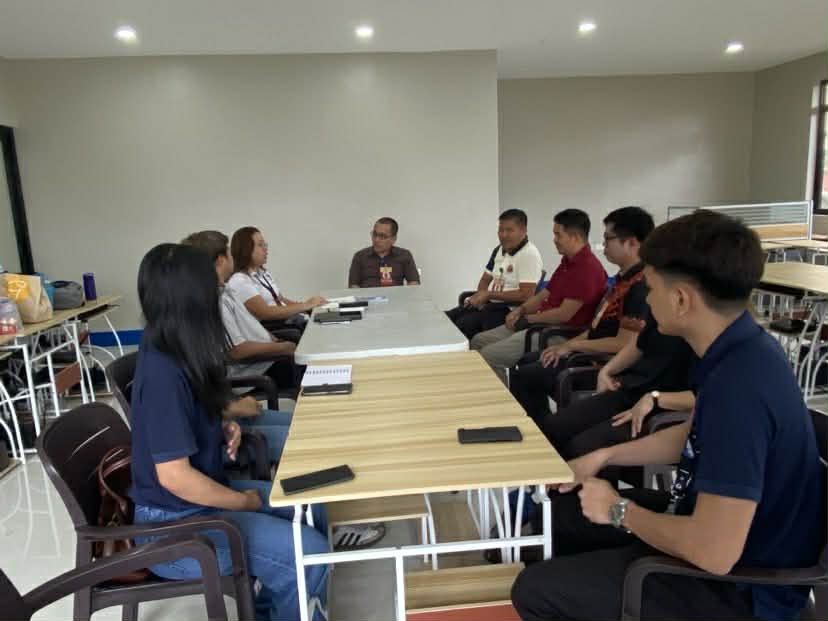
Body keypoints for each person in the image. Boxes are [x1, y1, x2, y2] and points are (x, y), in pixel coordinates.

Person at [511, 210, 822, 621]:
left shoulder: (740, 387)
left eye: (652, 288)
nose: (648, 299)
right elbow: (693, 434)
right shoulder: (737, 351)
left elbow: (713, 552)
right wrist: (604, 457)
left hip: (740, 589)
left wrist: (619, 510)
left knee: (534, 590)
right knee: (561, 511)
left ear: (681, 300)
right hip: (703, 526)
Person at [128, 243, 328, 621]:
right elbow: (174, 476)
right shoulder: (162, 371)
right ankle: (292, 592)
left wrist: (222, 425)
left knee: (311, 502)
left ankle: (275, 606)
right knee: (309, 550)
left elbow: (186, 417)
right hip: (173, 527)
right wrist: (241, 502)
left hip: (195, 504)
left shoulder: (173, 347)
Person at [509, 206, 654, 412]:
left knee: (527, 375)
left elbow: (624, 343)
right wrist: (568, 345)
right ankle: (539, 422)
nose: (603, 245)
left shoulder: (639, 286)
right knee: (526, 362)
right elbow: (596, 327)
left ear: (631, 243)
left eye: (608, 239)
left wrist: (571, 346)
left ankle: (541, 426)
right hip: (588, 352)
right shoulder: (622, 280)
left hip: (605, 366)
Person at [470, 209, 606, 383]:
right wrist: (521, 310)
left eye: (558, 235)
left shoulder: (587, 268)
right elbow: (544, 293)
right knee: (478, 341)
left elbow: (564, 314)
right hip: (539, 323)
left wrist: (528, 319)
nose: (554, 240)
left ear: (575, 237)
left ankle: (505, 398)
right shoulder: (567, 262)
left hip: (557, 333)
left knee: (488, 356)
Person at [182, 231, 298, 392]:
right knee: (307, 366)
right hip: (256, 373)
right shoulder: (216, 300)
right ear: (221, 260)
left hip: (265, 360)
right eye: (228, 251)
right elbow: (237, 350)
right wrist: (282, 347)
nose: (232, 257)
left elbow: (248, 325)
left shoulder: (225, 290)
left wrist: (274, 340)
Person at [445, 209, 543, 339]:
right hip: (489, 304)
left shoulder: (529, 254)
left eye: (509, 230)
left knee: (463, 325)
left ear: (523, 230)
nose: (504, 235)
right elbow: (485, 279)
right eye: (501, 230)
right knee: (446, 318)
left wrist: (488, 294)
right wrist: (481, 296)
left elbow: (526, 295)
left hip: (508, 310)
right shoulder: (499, 249)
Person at [227, 226, 326, 331]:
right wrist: (305, 306)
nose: (265, 248)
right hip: (274, 329)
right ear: (246, 250)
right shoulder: (240, 281)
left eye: (265, 244)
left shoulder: (263, 273)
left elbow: (281, 300)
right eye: (260, 245)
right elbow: (265, 313)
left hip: (287, 321)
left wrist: (309, 306)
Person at [348, 217, 420, 287]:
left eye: (382, 236)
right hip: (367, 295)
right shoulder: (360, 256)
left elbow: (414, 283)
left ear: (393, 239)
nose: (376, 240)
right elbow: (353, 286)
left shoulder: (404, 255)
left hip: (395, 295)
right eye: (374, 234)